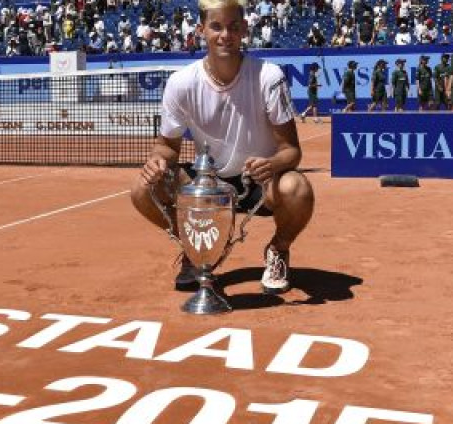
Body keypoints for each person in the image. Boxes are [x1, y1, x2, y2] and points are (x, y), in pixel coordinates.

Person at [130, 0, 315, 295]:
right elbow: (166, 147)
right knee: (142, 189)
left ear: (244, 30)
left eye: (233, 27)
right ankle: (196, 249)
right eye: (216, 26)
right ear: (202, 30)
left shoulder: (269, 76)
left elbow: (292, 150)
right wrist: (157, 161)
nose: (224, 35)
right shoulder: (181, 83)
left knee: (298, 189)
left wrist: (272, 165)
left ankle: (278, 250)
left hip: (259, 181)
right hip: (207, 184)